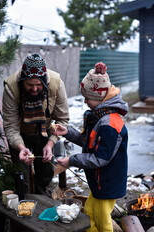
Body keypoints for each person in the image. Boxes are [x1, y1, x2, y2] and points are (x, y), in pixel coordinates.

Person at [52, 62, 128, 232]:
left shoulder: (109, 124)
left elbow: (101, 158)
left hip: (107, 182)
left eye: (88, 97)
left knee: (102, 219)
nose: (85, 101)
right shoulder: (100, 116)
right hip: (99, 181)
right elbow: (88, 140)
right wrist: (67, 133)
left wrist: (71, 160)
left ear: (100, 97)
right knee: (89, 212)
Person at [2, 54, 69, 194]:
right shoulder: (11, 87)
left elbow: (63, 119)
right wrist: (21, 147)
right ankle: (24, 201)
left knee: (46, 171)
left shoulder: (56, 84)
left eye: (38, 84)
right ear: (22, 81)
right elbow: (11, 126)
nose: (34, 89)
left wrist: (50, 144)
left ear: (45, 81)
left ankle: (41, 195)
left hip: (45, 131)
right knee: (21, 176)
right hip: (20, 132)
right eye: (30, 85)